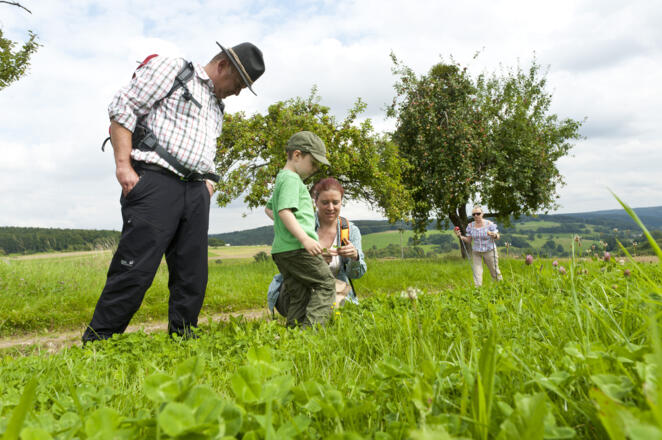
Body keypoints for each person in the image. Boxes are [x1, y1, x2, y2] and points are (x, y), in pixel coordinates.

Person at [82, 42, 265, 342]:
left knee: (193, 275)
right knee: (135, 268)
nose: (238, 92)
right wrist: (123, 166)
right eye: (239, 83)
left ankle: (183, 339)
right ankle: (98, 341)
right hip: (156, 182)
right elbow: (123, 106)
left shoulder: (217, 107)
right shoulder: (175, 70)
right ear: (222, 66)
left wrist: (207, 185)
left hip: (195, 191)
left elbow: (205, 150)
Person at [264, 131, 336, 328]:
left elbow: (270, 209)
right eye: (313, 163)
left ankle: (295, 336)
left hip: (283, 250)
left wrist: (285, 227)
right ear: (297, 155)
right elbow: (284, 211)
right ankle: (311, 333)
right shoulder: (291, 179)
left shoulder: (283, 178)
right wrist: (304, 238)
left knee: (300, 294)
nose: (315, 169)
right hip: (297, 248)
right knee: (325, 284)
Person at [267, 177, 367, 314]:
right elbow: (288, 262)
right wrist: (315, 260)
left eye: (335, 202)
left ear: (341, 203)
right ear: (316, 202)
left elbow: (355, 275)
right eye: (325, 202)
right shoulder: (301, 225)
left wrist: (355, 257)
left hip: (337, 291)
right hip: (300, 289)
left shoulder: (349, 231)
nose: (331, 208)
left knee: (334, 311)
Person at [455, 205, 502, 287]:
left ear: (482, 214)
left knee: (494, 272)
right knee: (477, 273)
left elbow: (498, 236)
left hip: (489, 251)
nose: (476, 215)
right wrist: (460, 236)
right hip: (476, 252)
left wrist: (493, 235)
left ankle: (501, 287)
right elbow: (469, 240)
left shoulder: (489, 224)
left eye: (478, 213)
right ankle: (478, 291)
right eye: (474, 214)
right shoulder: (470, 226)